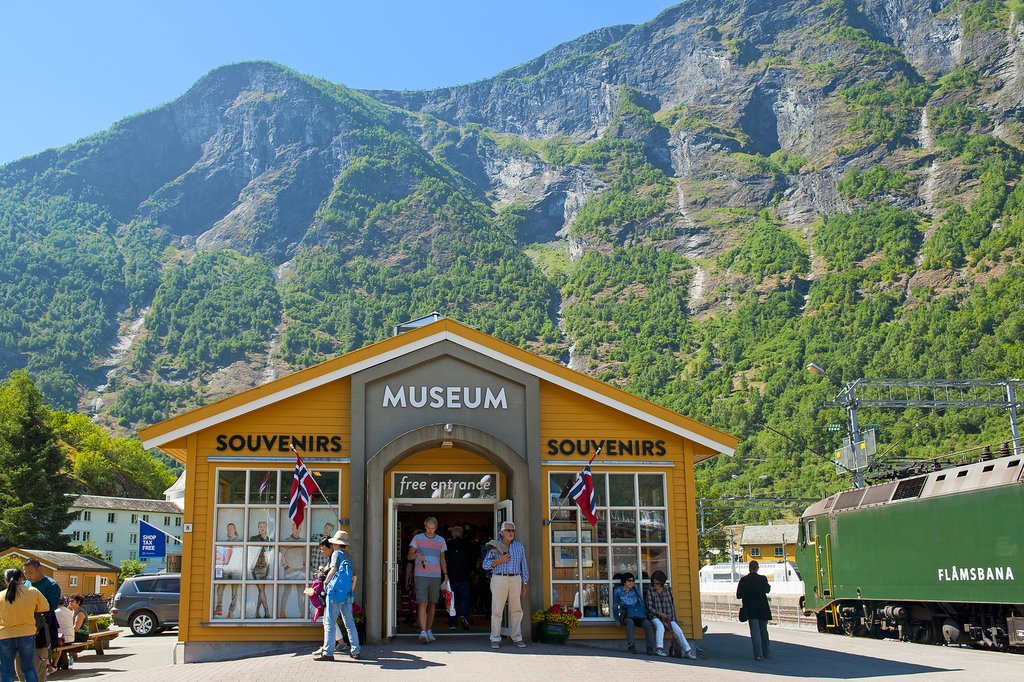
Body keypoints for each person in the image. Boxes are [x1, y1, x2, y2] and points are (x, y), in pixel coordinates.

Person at [313, 531, 361, 661]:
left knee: (330, 622)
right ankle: (355, 651)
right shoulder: (350, 557)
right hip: (347, 593)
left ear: (336, 544)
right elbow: (354, 578)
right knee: (350, 623)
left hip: (334, 593)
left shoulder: (336, 553)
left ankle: (328, 653)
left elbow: (333, 569)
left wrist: (325, 582)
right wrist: (349, 592)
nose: (332, 544)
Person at [481, 521, 529, 650]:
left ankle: (517, 637)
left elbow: (523, 565)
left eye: (513, 530)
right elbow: (485, 565)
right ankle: (495, 638)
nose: (511, 533)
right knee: (497, 610)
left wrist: (524, 584)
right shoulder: (494, 546)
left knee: (516, 610)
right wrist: (498, 561)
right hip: (499, 578)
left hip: (515, 578)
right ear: (501, 532)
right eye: (508, 530)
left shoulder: (519, 546)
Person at [1, 568, 49, 682]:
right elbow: (45, 607)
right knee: (28, 668)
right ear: (21, 578)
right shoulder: (33, 591)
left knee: (6, 670)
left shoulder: (1, 595)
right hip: (27, 634)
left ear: (6, 581)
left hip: (5, 635)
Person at [408, 516, 448, 644]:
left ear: (436, 527)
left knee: (432, 604)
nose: (430, 530)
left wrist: (445, 574)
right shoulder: (417, 538)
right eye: (428, 528)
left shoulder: (441, 540)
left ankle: (429, 629)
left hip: (436, 576)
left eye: (433, 528)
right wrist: (417, 555)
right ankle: (423, 631)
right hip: (420, 575)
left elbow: (442, 558)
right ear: (425, 527)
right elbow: (409, 556)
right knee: (422, 603)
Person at [20, 560, 60, 681]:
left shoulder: (51, 585)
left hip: (42, 630)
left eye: (30, 572)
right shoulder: (26, 583)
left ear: (40, 569)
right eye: (25, 573)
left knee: (37, 667)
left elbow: (51, 607)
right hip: (24, 630)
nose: (28, 576)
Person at [644, 570, 696, 659]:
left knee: (678, 630)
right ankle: (659, 648)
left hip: (668, 616)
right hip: (655, 616)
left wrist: (673, 619)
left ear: (662, 582)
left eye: (657, 583)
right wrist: (659, 614)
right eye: (654, 582)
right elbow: (649, 606)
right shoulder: (650, 591)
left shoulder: (668, 589)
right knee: (660, 627)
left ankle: (687, 651)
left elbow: (672, 605)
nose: (655, 584)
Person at [736, 560, 772, 660]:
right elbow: (767, 590)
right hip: (763, 608)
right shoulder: (762, 579)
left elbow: (739, 595)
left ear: (749, 568)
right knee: (764, 631)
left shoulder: (744, 580)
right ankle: (766, 652)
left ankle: (758, 654)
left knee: (755, 632)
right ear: (757, 568)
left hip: (750, 609)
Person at [613, 573, 655, 655]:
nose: (632, 582)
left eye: (633, 581)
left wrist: (644, 613)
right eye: (629, 581)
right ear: (624, 582)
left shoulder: (635, 589)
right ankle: (631, 645)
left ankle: (650, 647)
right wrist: (617, 619)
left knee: (647, 624)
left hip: (637, 613)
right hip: (626, 614)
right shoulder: (618, 591)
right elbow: (615, 605)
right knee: (629, 622)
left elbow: (641, 602)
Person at [444, 526, 476, 631]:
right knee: (465, 598)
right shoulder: (468, 544)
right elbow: (473, 560)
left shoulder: (447, 545)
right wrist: (472, 572)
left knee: (451, 600)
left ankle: (452, 623)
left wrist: (444, 574)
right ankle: (463, 614)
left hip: (450, 576)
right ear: (462, 534)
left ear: (452, 534)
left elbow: (443, 560)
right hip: (464, 576)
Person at [279, 522, 307, 618]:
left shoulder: (303, 541)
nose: (297, 529)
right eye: (295, 527)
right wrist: (286, 566)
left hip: (300, 571)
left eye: (299, 527)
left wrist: (304, 565)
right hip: (289, 571)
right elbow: (281, 556)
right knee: (286, 591)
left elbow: (304, 555)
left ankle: (303, 614)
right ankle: (282, 612)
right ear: (292, 528)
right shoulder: (286, 541)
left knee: (301, 593)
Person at [214, 522, 242, 618]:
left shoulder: (240, 541)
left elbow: (241, 555)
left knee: (234, 591)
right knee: (220, 587)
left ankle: (231, 612)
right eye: (228, 529)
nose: (230, 531)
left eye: (231, 529)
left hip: (236, 569)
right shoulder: (225, 542)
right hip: (226, 568)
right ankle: (219, 608)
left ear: (235, 530)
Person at [249, 520, 273, 618]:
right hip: (257, 567)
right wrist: (263, 540)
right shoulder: (254, 538)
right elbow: (254, 548)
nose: (262, 528)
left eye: (264, 527)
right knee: (261, 589)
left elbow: (270, 551)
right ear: (258, 528)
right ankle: (267, 611)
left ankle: (257, 612)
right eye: (260, 527)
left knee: (261, 590)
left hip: (265, 567)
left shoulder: (269, 539)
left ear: (266, 528)